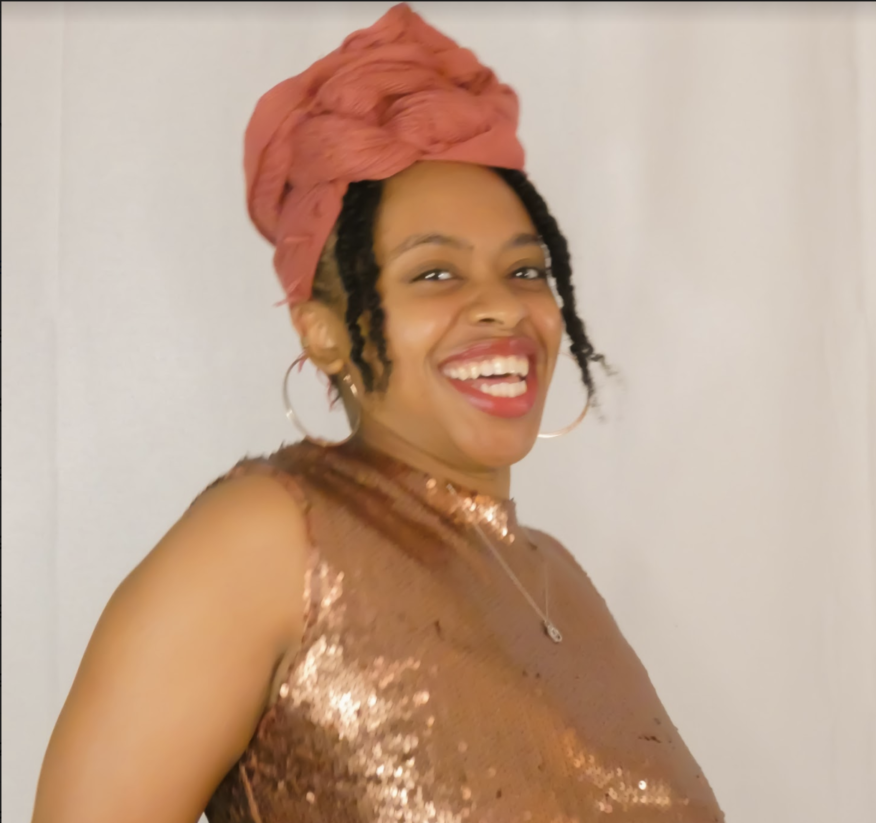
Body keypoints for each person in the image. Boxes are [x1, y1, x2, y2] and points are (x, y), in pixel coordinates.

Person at [32, 5, 724, 822]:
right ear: (321, 333)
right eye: (435, 274)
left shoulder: (560, 582)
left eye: (527, 271)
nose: (503, 307)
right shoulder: (270, 543)